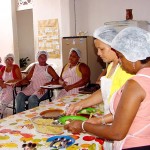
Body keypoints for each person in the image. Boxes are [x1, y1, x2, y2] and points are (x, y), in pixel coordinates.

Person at [65, 27, 150, 150]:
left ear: (132, 55)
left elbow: (117, 132)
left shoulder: (135, 82)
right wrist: (82, 105)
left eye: (120, 56)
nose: (120, 60)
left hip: (133, 142)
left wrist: (83, 126)